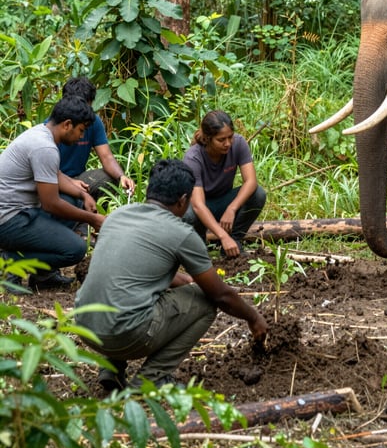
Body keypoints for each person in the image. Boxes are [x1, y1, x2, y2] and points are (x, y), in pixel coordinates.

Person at [75, 158, 268, 391]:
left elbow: (130, 270)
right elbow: (221, 296)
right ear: (183, 200)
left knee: (123, 294)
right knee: (205, 303)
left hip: (85, 324)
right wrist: (253, 317)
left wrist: (181, 281)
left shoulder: (119, 215)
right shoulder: (181, 233)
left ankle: (111, 369)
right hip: (125, 334)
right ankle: (151, 379)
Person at [0, 97, 106, 291]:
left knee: (72, 201)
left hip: (20, 211)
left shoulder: (41, 134)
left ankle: (43, 276)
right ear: (67, 125)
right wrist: (92, 219)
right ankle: (10, 262)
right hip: (8, 220)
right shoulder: (45, 147)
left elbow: (54, 174)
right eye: (81, 130)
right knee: (75, 249)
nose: (81, 137)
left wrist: (84, 196)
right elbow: (51, 204)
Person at [182, 110, 266, 257]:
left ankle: (234, 241)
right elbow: (198, 205)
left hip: (223, 202)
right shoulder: (193, 158)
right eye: (221, 140)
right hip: (200, 208)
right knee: (188, 214)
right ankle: (200, 248)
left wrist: (232, 209)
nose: (228, 143)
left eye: (230, 137)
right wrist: (222, 235)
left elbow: (251, 181)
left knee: (258, 194)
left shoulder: (238, 143)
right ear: (208, 139)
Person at [56, 76, 135, 206]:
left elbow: (106, 156)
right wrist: (69, 184)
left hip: (79, 178)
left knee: (109, 178)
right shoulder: (54, 127)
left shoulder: (93, 122)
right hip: (54, 181)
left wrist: (122, 177)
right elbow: (45, 174)